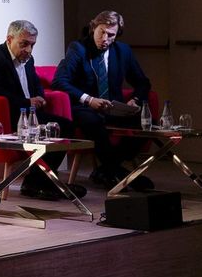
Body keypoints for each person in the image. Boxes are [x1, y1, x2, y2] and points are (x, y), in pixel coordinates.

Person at [0, 19, 82, 202]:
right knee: (62, 128)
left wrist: (39, 97)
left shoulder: (28, 59)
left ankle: (42, 180)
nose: (28, 50)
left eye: (32, 45)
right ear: (9, 39)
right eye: (24, 44)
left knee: (64, 128)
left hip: (28, 113)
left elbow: (35, 84)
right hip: (9, 116)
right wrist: (27, 101)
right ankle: (37, 183)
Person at [51, 10, 154, 190]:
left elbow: (143, 83)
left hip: (113, 108)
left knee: (146, 122)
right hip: (84, 108)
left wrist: (135, 100)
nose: (105, 38)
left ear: (117, 35)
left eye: (110, 35)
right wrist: (88, 99)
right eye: (102, 32)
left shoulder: (123, 51)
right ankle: (116, 172)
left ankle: (107, 168)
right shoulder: (78, 48)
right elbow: (59, 81)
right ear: (94, 28)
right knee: (93, 121)